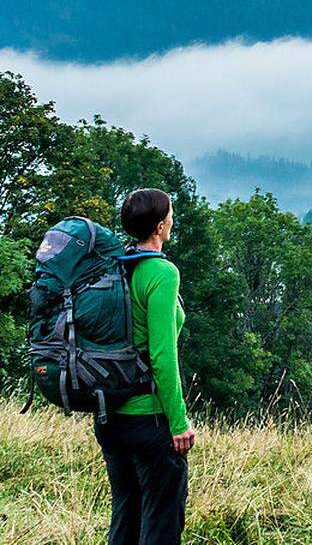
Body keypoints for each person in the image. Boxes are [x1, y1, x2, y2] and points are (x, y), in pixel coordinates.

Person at [93, 188, 194, 545]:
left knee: (126, 514)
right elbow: (163, 357)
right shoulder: (161, 274)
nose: (172, 219)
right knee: (161, 521)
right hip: (147, 418)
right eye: (170, 214)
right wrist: (178, 422)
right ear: (159, 226)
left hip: (109, 416)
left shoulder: (115, 266)